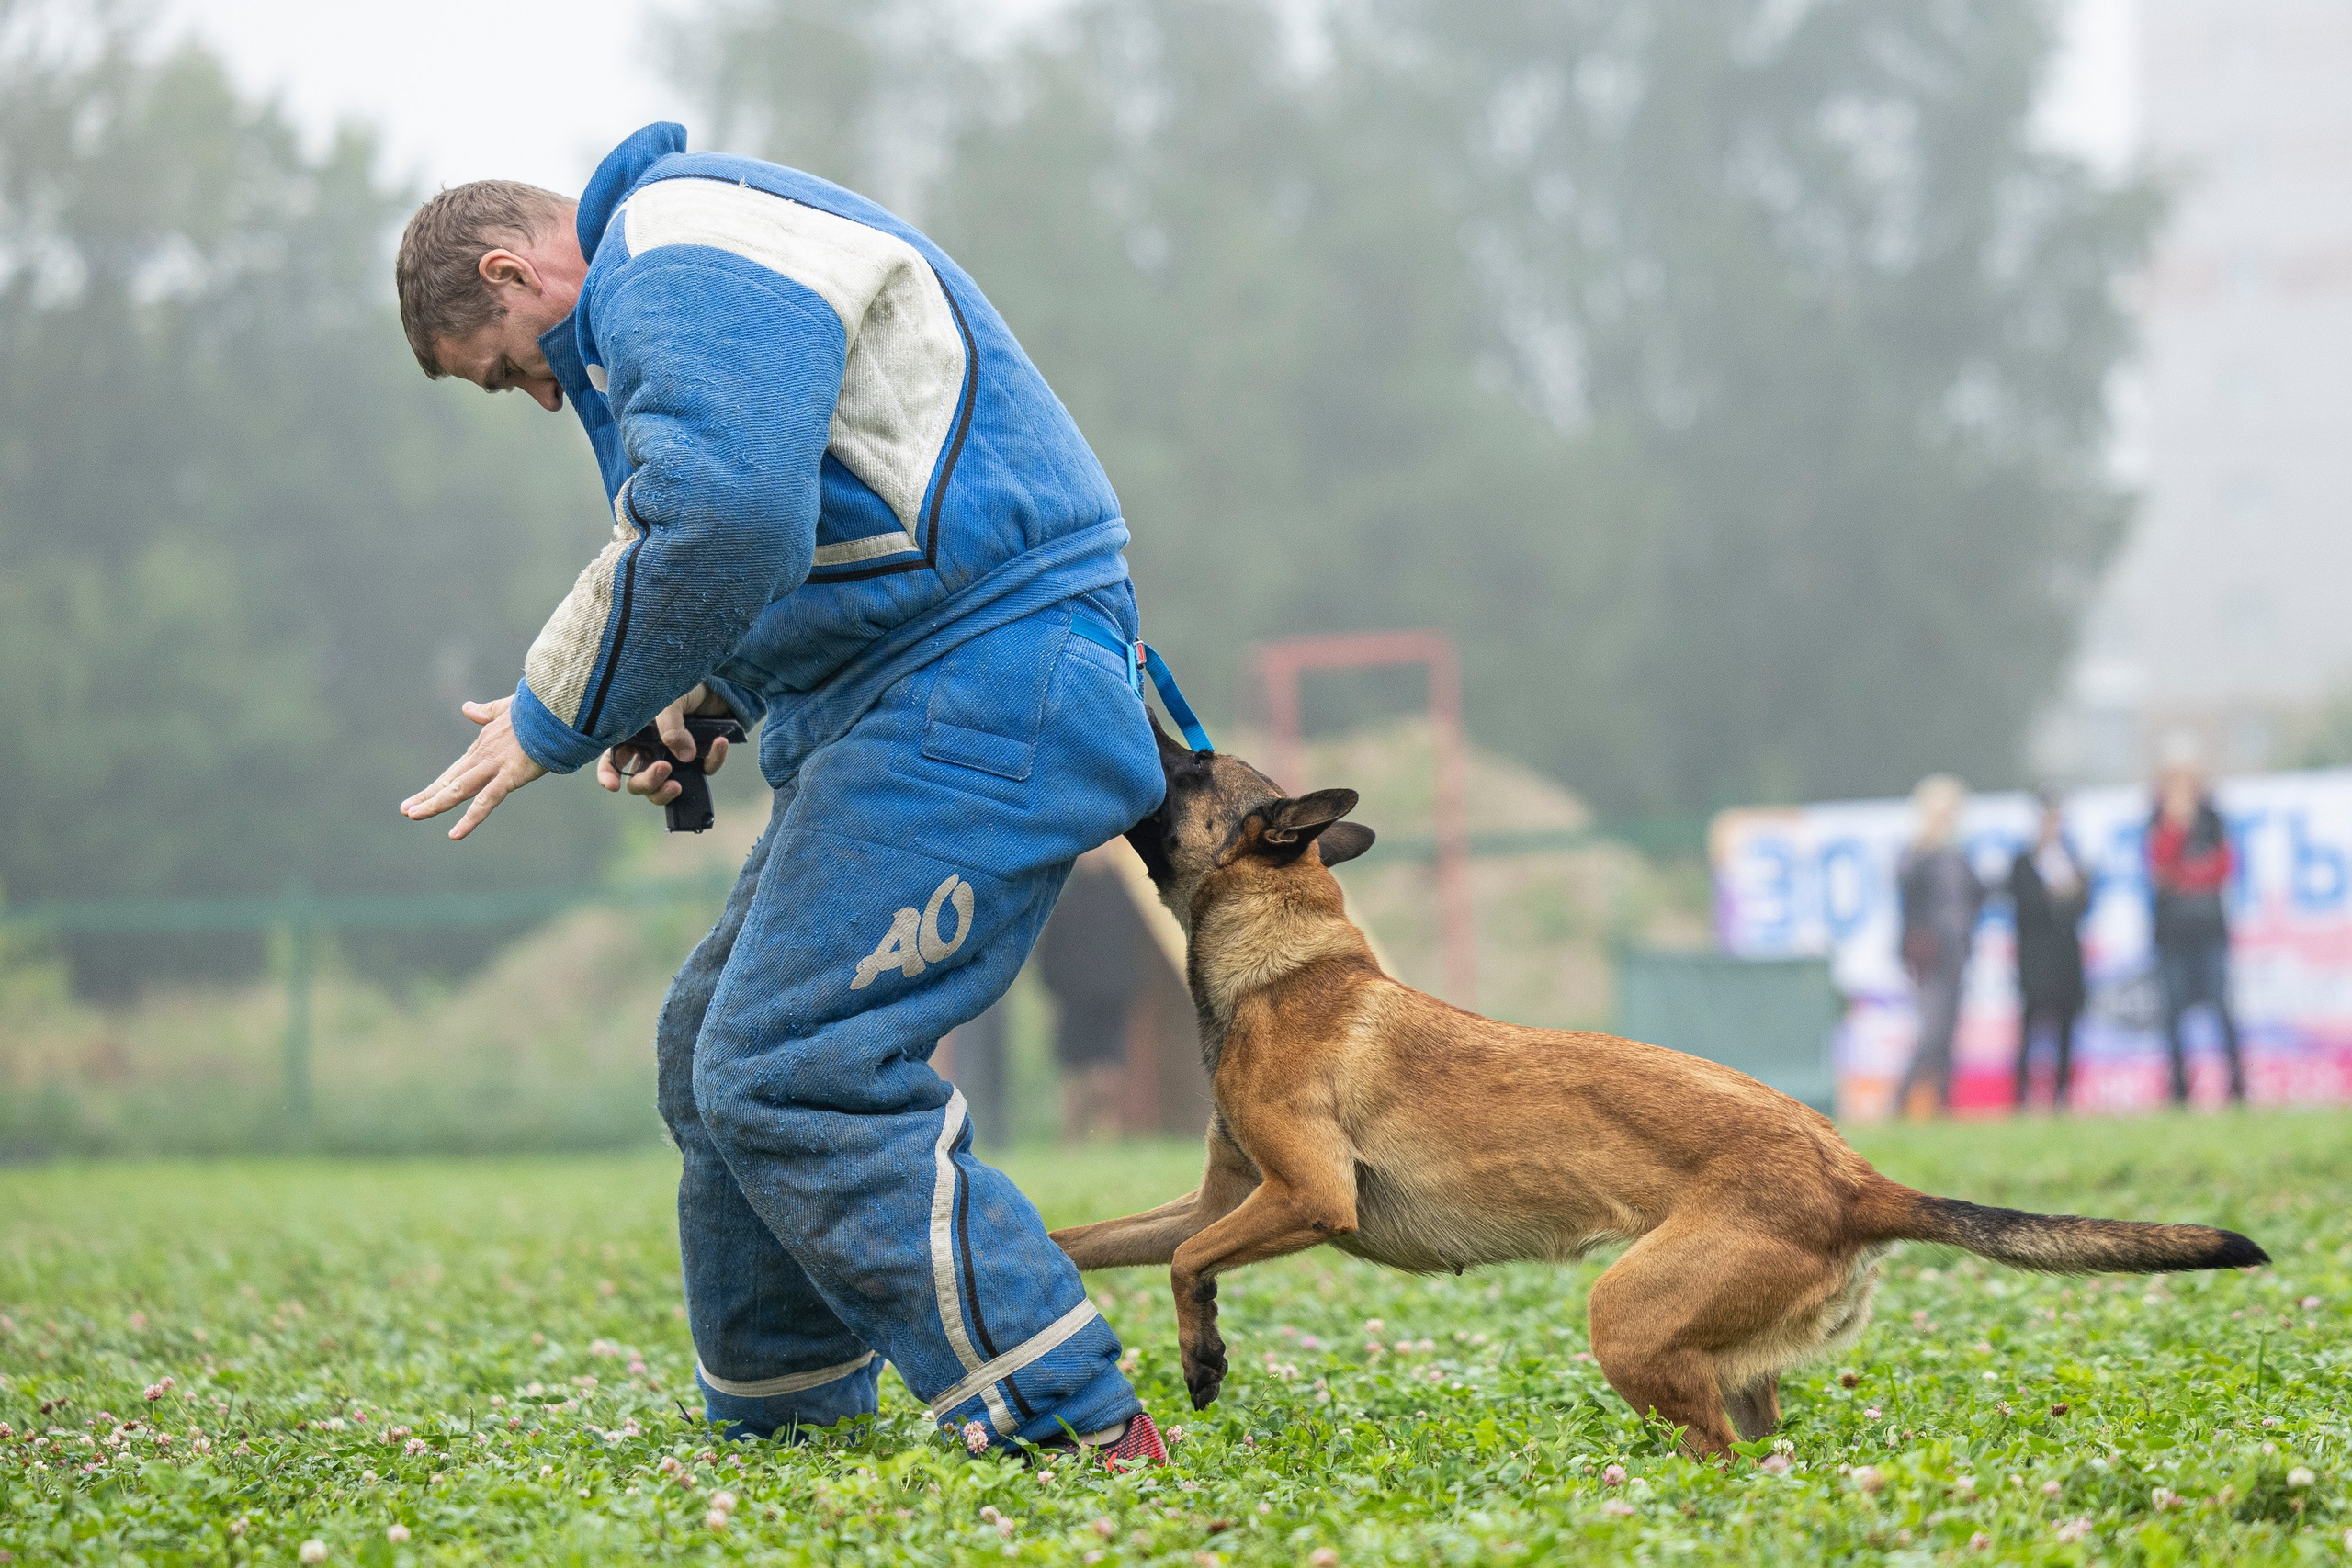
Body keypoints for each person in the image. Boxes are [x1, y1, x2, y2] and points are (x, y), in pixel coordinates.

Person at [391, 124, 1169, 1464]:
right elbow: (830, 518)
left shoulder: (672, 245)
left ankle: (1079, 1428)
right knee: (712, 1053)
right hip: (921, 677)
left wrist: (550, 712)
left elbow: (730, 519)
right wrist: (705, 700)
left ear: (514, 271)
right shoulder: (691, 260)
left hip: (987, 682)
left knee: (787, 1063)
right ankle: (788, 1417)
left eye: (506, 368)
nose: (529, 395)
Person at [2146, 759, 2245, 1105]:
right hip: (2172, 936)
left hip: (2210, 932)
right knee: (2173, 1014)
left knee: (2222, 1009)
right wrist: (2176, 830)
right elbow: (2160, 870)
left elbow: (2222, 867)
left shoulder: (2213, 819)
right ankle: (2179, 1092)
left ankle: (2236, 1087)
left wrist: (2185, 877)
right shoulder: (2157, 820)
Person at [1035, 845, 1149, 1143]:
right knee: (1073, 1076)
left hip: (1112, 999)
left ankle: (1106, 1141)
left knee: (1107, 1077)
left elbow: (1137, 948)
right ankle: (1070, 1143)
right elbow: (1048, 954)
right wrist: (1058, 987)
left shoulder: (1126, 899)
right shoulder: (1065, 898)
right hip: (1074, 1001)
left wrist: (1129, 984)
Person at [1895, 774, 1984, 1118]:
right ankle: (1902, 1101)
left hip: (1957, 950)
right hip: (1929, 954)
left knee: (1948, 1031)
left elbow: (1976, 895)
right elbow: (1906, 887)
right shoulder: (1917, 852)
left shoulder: (1958, 853)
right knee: (1931, 1031)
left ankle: (1943, 1101)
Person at [2007, 790, 2088, 1111]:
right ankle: (2023, 1096)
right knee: (2032, 1026)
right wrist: (2057, 896)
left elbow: (2082, 903)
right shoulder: (2023, 861)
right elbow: (2026, 906)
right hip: (2036, 959)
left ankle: (2062, 1096)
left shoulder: (2070, 857)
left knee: (2067, 1025)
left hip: (2066, 956)